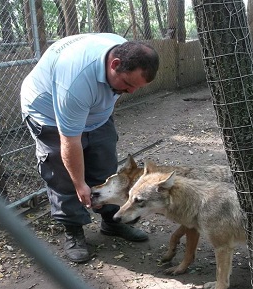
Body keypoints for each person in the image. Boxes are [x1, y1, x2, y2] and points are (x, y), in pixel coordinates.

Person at [21, 33, 159, 263]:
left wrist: (122, 87)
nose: (131, 92)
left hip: (95, 113)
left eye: (136, 87)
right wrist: (79, 183)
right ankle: (73, 229)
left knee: (105, 166)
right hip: (50, 115)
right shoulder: (75, 81)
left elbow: (119, 87)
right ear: (114, 65)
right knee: (64, 175)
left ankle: (112, 221)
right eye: (128, 84)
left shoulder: (122, 50)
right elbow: (70, 141)